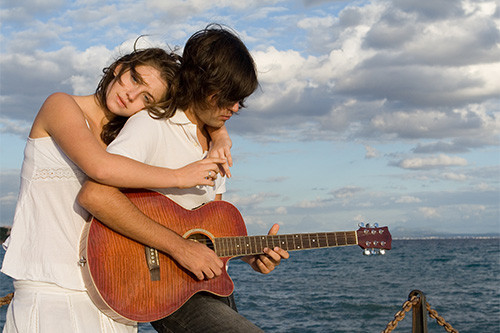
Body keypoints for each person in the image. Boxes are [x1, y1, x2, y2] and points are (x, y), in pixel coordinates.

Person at [1, 46, 233, 332]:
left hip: (112, 296)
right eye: (135, 79)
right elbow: (100, 168)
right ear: (119, 68)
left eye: (147, 97)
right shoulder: (61, 105)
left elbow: (193, 107)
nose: (131, 95)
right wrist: (179, 176)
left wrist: (219, 132)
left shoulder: (125, 140)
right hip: (50, 289)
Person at [77, 24, 290, 332]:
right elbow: (95, 195)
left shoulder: (217, 149)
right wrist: (180, 248)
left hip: (205, 284)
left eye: (239, 101)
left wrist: (252, 256)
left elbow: (209, 234)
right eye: (226, 98)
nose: (234, 109)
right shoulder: (151, 125)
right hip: (156, 283)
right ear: (200, 85)